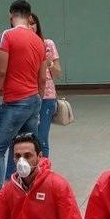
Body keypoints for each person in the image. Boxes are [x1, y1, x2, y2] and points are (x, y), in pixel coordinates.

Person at [0, 0, 47, 199]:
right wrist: (38, 100)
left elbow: (0, 71)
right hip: (33, 100)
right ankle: (29, 190)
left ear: (10, 15)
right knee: (28, 149)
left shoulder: (8, 35)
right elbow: (42, 77)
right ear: (29, 17)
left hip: (14, 102)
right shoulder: (39, 41)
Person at [29, 13, 62, 157]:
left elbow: (57, 73)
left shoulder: (48, 44)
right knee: (27, 137)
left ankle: (44, 170)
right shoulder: (18, 43)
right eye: (27, 23)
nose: (30, 26)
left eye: (33, 23)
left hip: (47, 96)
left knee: (42, 138)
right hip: (26, 95)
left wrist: (49, 63)